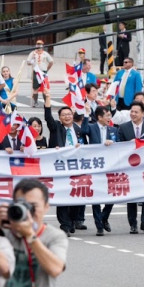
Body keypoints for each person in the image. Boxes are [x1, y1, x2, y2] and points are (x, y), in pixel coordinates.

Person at [0, 178, 68, 287]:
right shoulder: (2, 233)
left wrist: (30, 235)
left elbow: (55, 268)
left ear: (46, 207)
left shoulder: (54, 236)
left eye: (33, 206)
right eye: (22, 205)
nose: (27, 211)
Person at [44, 99, 85, 235]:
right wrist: (47, 100)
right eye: (64, 115)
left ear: (73, 115)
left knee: (75, 195)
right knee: (63, 195)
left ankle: (72, 220)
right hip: (60, 168)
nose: (67, 117)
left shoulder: (78, 130)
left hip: (76, 167)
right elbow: (48, 118)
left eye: (69, 114)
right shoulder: (56, 127)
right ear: (60, 118)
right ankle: (65, 225)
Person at [117, 102, 144, 234]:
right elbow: (118, 146)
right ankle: (132, 224)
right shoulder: (123, 128)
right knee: (132, 196)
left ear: (143, 114)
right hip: (130, 167)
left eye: (136, 112)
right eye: (131, 111)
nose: (133, 114)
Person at [84, 106, 117, 236]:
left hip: (110, 166)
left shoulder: (113, 130)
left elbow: (120, 145)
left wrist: (113, 142)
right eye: (107, 115)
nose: (109, 118)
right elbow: (83, 130)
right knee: (96, 196)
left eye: (110, 115)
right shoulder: (92, 127)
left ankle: (104, 217)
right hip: (96, 166)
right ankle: (99, 225)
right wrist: (86, 115)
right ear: (99, 117)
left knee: (113, 194)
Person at [26, 41, 53, 107]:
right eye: (38, 44)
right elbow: (28, 62)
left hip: (43, 72)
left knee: (44, 88)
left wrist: (47, 69)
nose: (39, 46)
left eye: (40, 44)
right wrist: (31, 62)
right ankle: (35, 102)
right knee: (35, 88)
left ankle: (46, 102)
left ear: (42, 45)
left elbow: (51, 61)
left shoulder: (45, 53)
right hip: (36, 72)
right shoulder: (33, 53)